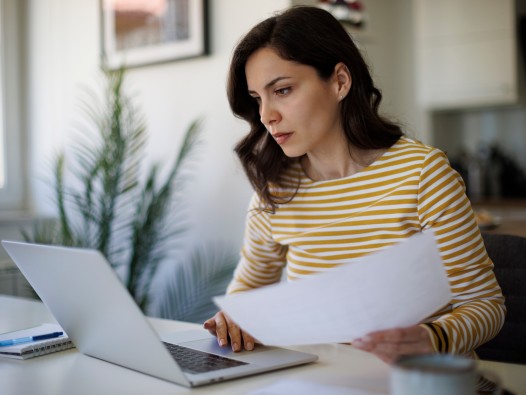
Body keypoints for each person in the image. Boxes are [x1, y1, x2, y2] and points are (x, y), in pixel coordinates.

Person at [203, 5, 505, 365]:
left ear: (340, 82)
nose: (267, 115)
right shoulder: (276, 192)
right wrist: (232, 320)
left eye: (282, 90)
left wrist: (432, 338)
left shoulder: (423, 174)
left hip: (416, 382)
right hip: (320, 383)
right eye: (257, 99)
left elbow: (485, 305)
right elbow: (245, 298)